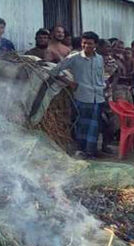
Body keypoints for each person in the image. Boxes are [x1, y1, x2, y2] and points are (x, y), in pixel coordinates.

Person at [50, 31, 105, 160]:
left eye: (90, 43)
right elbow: (55, 71)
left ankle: (91, 152)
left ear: (95, 44)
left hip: (98, 97)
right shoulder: (74, 58)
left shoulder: (99, 58)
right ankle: (81, 151)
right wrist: (69, 82)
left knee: (95, 127)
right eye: (84, 43)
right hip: (82, 96)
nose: (87, 46)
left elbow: (101, 76)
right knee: (81, 126)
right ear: (81, 43)